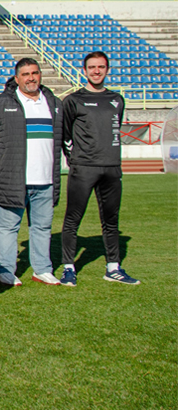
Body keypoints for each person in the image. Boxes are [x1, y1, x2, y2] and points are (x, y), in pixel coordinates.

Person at [59, 52, 137, 285]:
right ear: (84, 71)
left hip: (112, 168)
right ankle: (68, 268)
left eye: (101, 67)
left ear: (107, 69)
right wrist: (76, 160)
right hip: (84, 168)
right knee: (73, 219)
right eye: (92, 67)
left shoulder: (117, 99)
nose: (96, 71)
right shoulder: (73, 100)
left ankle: (113, 268)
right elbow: (65, 135)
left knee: (111, 220)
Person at [0, 58, 63, 287]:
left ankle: (42, 269)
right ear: (17, 78)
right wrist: (2, 164)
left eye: (35, 73)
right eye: (26, 74)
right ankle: (6, 271)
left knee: (42, 227)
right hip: (14, 179)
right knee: (9, 227)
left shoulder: (53, 102)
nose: (31, 78)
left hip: (46, 179)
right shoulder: (1, 103)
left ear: (40, 75)